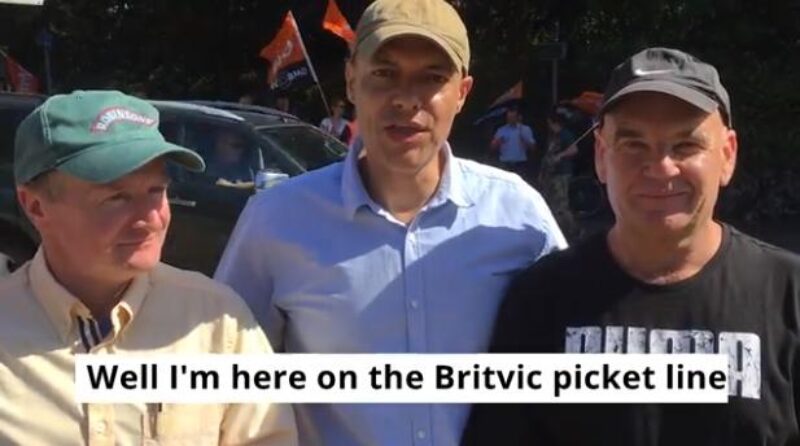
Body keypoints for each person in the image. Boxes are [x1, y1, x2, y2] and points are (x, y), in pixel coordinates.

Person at [214, 0, 566, 444]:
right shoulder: (277, 220)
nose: (405, 99)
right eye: (384, 74)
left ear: (462, 92)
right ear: (351, 79)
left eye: (432, 78)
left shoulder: (517, 215)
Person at [462, 47, 800, 445]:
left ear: (727, 156)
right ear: (602, 157)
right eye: (634, 144)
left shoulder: (788, 295)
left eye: (686, 145)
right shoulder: (541, 300)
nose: (661, 167)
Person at [0, 90, 298, 445]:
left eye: (157, 191)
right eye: (116, 197)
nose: (150, 219)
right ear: (36, 207)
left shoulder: (216, 320)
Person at [540, 111, 580, 239]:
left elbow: (574, 149)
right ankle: (563, 230)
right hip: (553, 173)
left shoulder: (565, 134)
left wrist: (560, 156)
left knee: (562, 205)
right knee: (554, 204)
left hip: (562, 173)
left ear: (553, 122)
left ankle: (574, 230)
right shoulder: (554, 136)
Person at [490, 107, 536, 179]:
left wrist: (524, 139)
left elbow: (533, 148)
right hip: (505, 163)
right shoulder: (501, 130)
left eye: (512, 117)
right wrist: (497, 142)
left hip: (520, 164)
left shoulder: (525, 129)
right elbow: (492, 147)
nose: (510, 119)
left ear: (518, 117)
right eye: (508, 117)